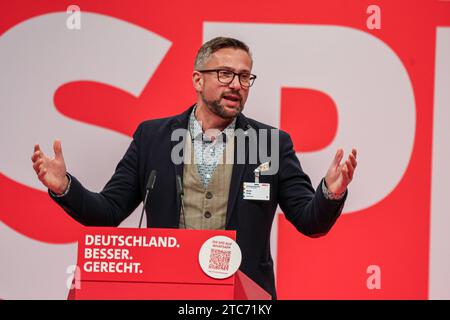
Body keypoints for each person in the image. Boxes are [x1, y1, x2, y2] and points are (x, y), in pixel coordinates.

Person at [31, 37, 357, 299]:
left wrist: (330, 192)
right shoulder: (153, 138)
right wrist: (64, 187)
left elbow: (308, 220)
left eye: (245, 77)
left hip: (243, 296)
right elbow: (108, 212)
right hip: (165, 290)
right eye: (225, 74)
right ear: (198, 80)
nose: (237, 85)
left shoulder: (270, 143)